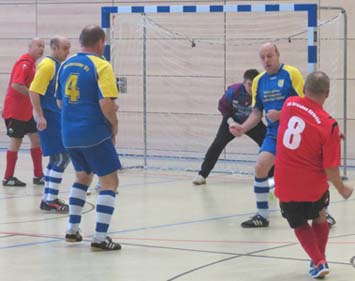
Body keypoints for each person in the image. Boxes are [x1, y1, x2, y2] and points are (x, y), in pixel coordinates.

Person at [274, 71, 353, 278]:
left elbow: (301, 125)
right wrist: (342, 188)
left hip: (285, 184)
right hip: (312, 186)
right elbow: (330, 168)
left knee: (299, 222)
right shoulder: (329, 125)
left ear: (303, 89)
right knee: (320, 216)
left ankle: (319, 261)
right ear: (327, 94)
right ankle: (320, 259)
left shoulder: (289, 104)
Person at [56, 25, 121, 251]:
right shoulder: (101, 65)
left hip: (68, 132)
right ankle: (101, 237)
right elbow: (106, 103)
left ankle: (72, 230)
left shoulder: (65, 64)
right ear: (101, 42)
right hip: (93, 132)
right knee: (109, 181)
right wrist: (114, 124)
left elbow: (60, 102)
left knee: (82, 176)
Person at [229, 42, 304, 228]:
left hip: (296, 134)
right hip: (273, 135)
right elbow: (256, 113)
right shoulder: (258, 81)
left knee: (306, 174)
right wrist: (243, 128)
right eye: (262, 57)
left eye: (270, 55)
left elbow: (304, 106)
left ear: (278, 55)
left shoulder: (291, 74)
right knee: (261, 167)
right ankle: (262, 216)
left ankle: (324, 213)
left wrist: (282, 114)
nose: (266, 60)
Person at [192, 69, 274, 185]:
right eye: (250, 85)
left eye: (255, 85)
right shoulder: (233, 91)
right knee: (217, 145)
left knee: (268, 145)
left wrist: (245, 127)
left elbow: (260, 113)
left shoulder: (261, 93)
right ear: (244, 83)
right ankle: (202, 174)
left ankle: (272, 178)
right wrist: (231, 123)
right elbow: (223, 108)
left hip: (252, 123)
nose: (252, 88)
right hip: (232, 121)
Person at [29, 36, 71, 212]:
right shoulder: (48, 65)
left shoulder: (58, 65)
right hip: (48, 116)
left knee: (57, 157)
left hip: (55, 115)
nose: (68, 52)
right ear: (54, 48)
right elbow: (34, 90)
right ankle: (50, 199)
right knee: (62, 157)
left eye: (69, 48)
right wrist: (40, 115)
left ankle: (48, 198)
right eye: (64, 48)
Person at [2, 38, 45, 187]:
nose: (41, 49)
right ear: (30, 47)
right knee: (16, 141)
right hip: (15, 111)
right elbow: (16, 85)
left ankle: (38, 175)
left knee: (36, 139)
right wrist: (32, 94)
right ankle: (8, 178)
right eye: (39, 46)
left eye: (43, 46)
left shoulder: (33, 65)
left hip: (27, 111)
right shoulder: (24, 63)